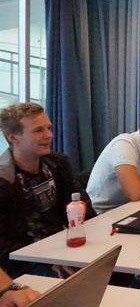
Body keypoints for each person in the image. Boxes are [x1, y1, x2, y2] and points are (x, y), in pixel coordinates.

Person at [0, 103, 95, 278]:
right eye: (38, 130)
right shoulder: (4, 181)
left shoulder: (57, 164)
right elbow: (4, 247)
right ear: (12, 137)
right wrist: (47, 258)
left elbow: (83, 208)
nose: (49, 135)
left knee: (112, 265)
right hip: (23, 262)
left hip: (60, 248)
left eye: (49, 128)